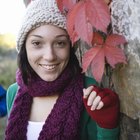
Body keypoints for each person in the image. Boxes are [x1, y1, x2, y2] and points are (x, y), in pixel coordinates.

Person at [5, 0, 119, 139]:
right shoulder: (13, 92)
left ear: (70, 47)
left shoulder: (88, 91)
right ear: (24, 48)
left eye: (60, 43)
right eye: (37, 43)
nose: (49, 56)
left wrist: (107, 126)